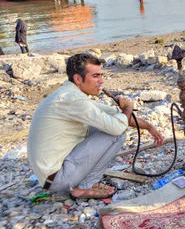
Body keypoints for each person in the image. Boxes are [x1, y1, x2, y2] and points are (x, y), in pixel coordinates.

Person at [27, 53, 165, 199]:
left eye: (101, 75)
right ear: (78, 79)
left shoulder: (70, 94)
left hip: (52, 177)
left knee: (108, 125)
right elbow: (117, 127)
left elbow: (114, 115)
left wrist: (149, 127)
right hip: (58, 178)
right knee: (116, 133)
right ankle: (84, 186)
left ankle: (81, 184)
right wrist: (127, 109)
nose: (101, 81)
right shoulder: (73, 99)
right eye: (95, 76)